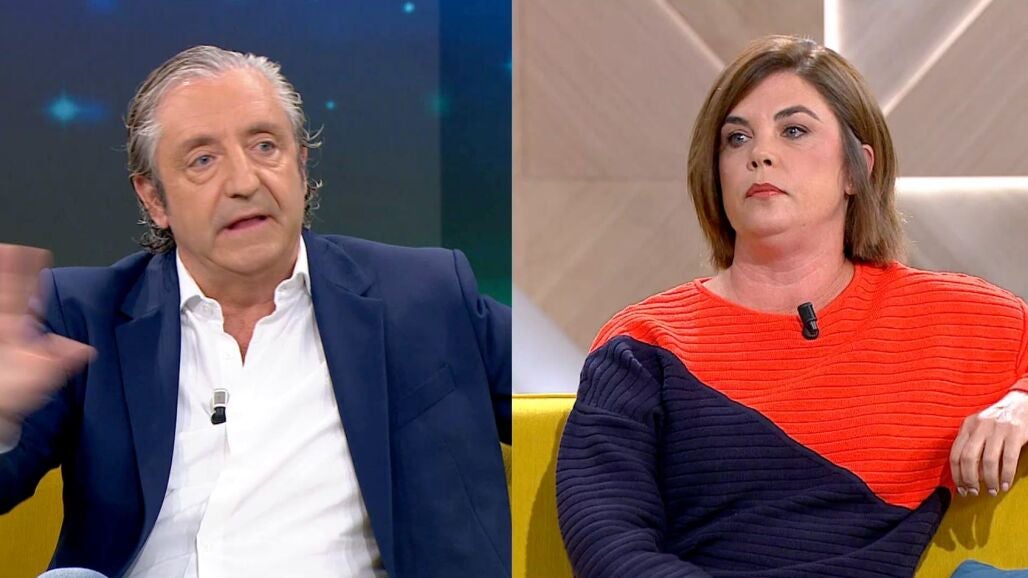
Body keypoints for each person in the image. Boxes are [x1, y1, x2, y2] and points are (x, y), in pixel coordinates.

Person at [0, 45, 511, 577]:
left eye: (265, 146)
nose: (244, 183)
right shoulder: (84, 318)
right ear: (153, 198)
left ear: (300, 165)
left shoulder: (424, 296)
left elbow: (573, 396)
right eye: (203, 160)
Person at [556, 35, 1028, 578]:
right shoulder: (645, 342)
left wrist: (1019, 403)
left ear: (856, 169)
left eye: (794, 130)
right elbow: (608, 545)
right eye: (736, 138)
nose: (759, 154)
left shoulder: (952, 318)